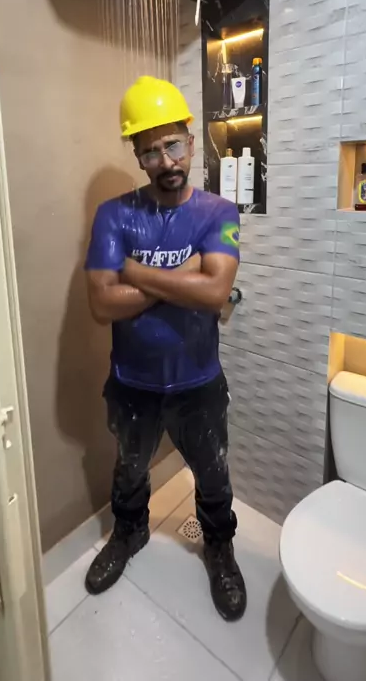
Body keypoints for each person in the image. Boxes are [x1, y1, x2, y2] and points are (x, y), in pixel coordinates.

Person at [84, 76, 246, 621]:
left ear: (191, 143)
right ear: (138, 156)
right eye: (150, 151)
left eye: (173, 144)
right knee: (129, 470)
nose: (165, 161)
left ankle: (218, 546)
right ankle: (128, 532)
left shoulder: (219, 214)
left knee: (213, 473)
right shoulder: (114, 215)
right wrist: (183, 275)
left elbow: (216, 291)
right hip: (132, 382)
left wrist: (134, 272)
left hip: (199, 381)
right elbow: (101, 304)